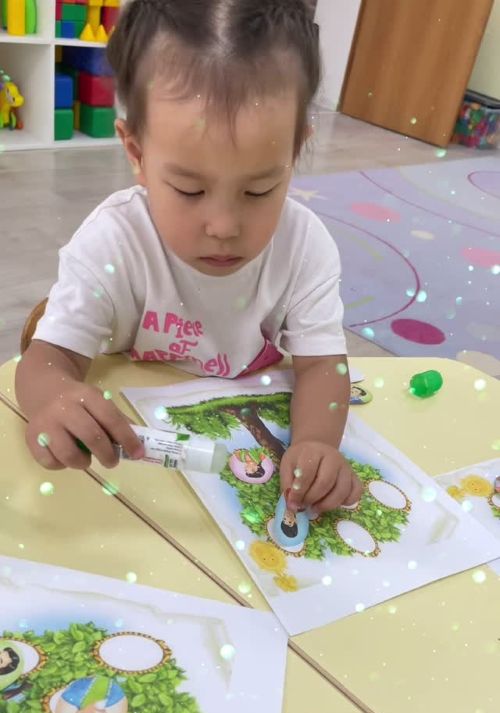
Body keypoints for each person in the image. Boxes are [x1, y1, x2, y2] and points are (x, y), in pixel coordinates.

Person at [15, 0, 363, 517]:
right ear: (136, 152)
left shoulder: (304, 246)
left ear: (294, 152)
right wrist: (53, 400)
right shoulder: (113, 242)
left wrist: (317, 442)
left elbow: (322, 368)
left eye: (259, 190)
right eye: (189, 189)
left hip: (237, 454)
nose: (223, 227)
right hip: (138, 471)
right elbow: (46, 360)